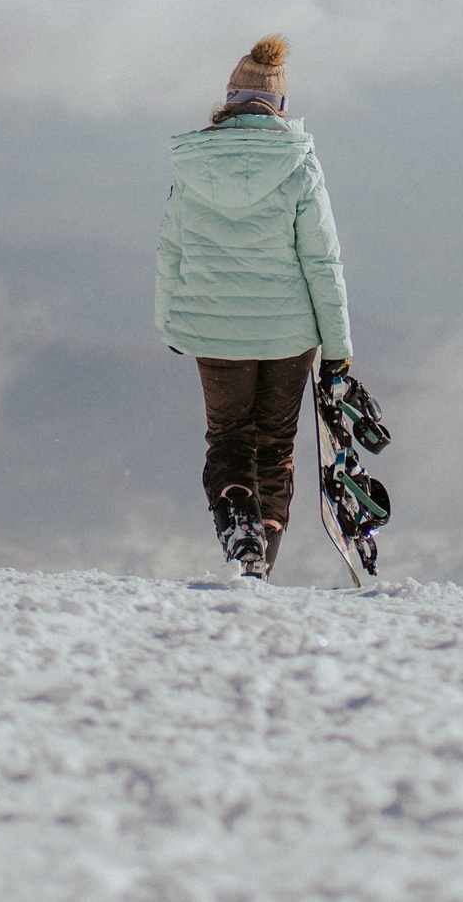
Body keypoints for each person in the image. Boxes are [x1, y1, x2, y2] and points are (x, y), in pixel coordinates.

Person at [154, 34, 352, 579]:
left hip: (214, 331)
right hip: (291, 337)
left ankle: (240, 534)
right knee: (275, 446)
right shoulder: (300, 165)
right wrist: (338, 352)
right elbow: (323, 264)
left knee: (230, 440)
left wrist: (167, 321)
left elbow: (171, 250)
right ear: (281, 109)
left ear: (229, 101)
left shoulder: (193, 164)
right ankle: (261, 557)